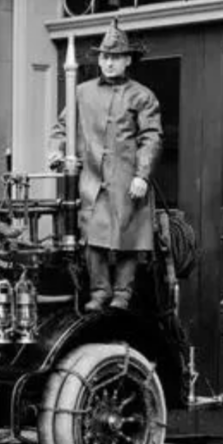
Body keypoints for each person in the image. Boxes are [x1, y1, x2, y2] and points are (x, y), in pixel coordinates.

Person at [48, 19, 163, 311]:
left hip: (128, 178)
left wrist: (142, 176)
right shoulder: (82, 92)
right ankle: (100, 292)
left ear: (127, 61)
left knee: (129, 235)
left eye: (115, 57)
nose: (109, 63)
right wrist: (55, 150)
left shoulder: (143, 95)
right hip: (93, 178)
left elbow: (151, 138)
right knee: (93, 235)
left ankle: (123, 294)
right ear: (99, 59)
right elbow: (63, 127)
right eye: (104, 57)